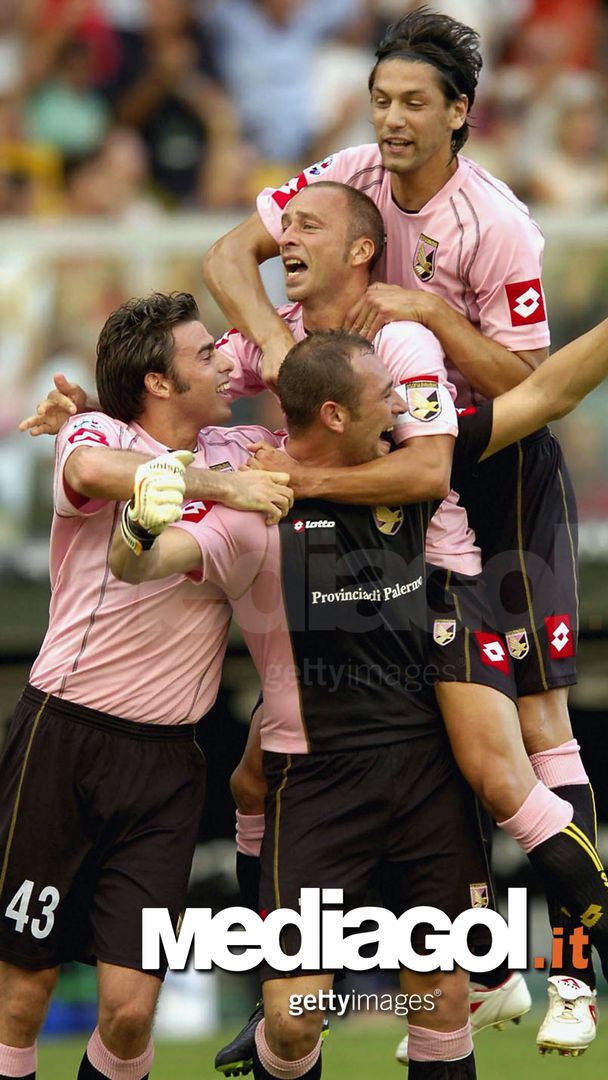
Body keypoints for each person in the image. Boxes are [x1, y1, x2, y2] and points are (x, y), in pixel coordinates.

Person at [119, 232, 608, 1074]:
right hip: (320, 751)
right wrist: (104, 443)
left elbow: (542, 397)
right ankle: (285, 995)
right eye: (383, 398)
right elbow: (158, 484)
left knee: (503, 785)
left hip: (430, 683)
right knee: (265, 839)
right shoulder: (250, 478)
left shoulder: (415, 459)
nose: (404, 406)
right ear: (334, 414)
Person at [199, 6, 608, 1047]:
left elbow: (534, 384)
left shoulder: (499, 222)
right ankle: (452, 971)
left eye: (411, 103)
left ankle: (572, 971)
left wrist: (435, 318)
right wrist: (287, 357)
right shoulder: (344, 175)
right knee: (272, 755)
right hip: (391, 486)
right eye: (381, 98)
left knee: (529, 731)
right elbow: (224, 257)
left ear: (458, 114)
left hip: (494, 474)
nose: (388, 120)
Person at [0, 292, 293, 1080]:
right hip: (64, 737)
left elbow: (295, 364)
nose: (223, 364)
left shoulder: (234, 443)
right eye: (203, 357)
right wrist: (226, 489)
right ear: (159, 384)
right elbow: (95, 469)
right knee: (20, 996)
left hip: (167, 764)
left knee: (130, 1013)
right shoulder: (96, 433)